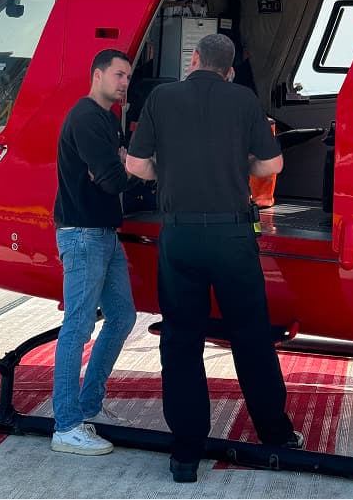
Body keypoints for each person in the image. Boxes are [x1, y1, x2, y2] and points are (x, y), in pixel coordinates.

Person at [126, 33, 302, 484]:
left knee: (181, 341)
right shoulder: (243, 100)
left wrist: (175, 168)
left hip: (180, 235)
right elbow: (271, 167)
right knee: (250, 336)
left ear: (194, 59)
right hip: (232, 235)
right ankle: (276, 434)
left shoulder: (162, 98)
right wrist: (233, 163)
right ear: (229, 69)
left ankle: (186, 453)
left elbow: (138, 166)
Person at [51, 48, 149, 456]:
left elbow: (111, 172)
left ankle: (87, 407)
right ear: (97, 75)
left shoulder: (106, 119)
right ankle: (66, 425)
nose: (125, 83)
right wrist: (126, 166)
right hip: (83, 235)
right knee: (77, 327)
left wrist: (122, 165)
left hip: (103, 233)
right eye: (118, 75)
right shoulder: (88, 118)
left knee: (123, 315)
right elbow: (111, 179)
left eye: (128, 77)